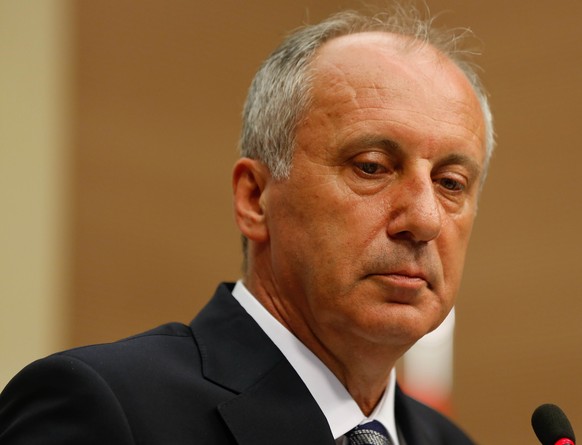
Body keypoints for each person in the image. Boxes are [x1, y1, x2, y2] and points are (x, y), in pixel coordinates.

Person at [0, 4, 494, 444]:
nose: (425, 220)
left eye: (451, 183)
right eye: (371, 167)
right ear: (255, 198)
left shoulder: (447, 439)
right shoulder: (106, 407)